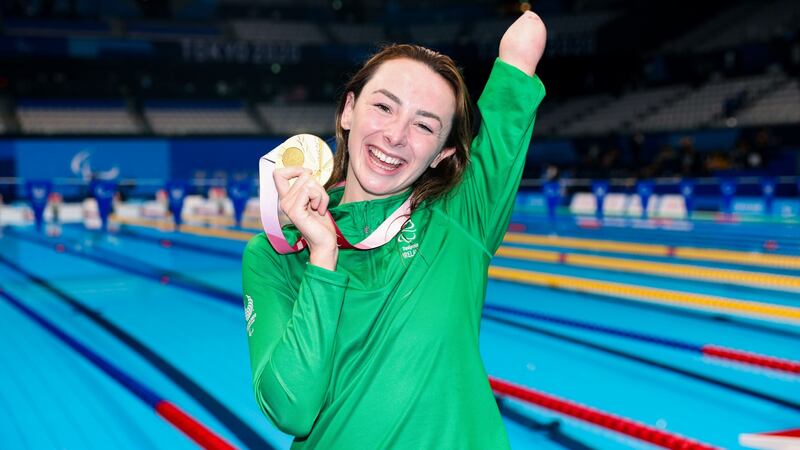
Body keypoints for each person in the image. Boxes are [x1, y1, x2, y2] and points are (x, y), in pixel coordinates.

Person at [242, 11, 546, 449]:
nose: (396, 135)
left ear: (443, 153)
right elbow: (292, 409)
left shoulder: (463, 216)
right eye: (383, 106)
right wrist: (323, 257)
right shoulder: (276, 256)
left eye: (425, 125)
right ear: (348, 110)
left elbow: (527, 40)